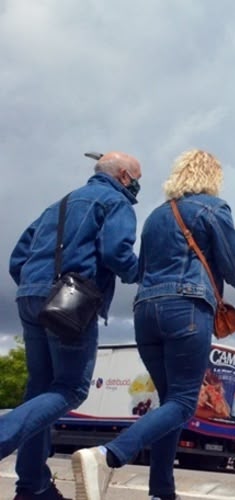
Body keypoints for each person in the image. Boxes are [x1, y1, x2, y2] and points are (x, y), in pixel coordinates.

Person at [71, 149, 235, 500]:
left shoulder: (157, 215)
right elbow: (234, 259)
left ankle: (161, 491)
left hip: (145, 311)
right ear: (212, 178)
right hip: (185, 309)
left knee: (171, 403)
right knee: (185, 402)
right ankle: (106, 456)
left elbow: (141, 265)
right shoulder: (212, 208)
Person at [3, 152, 142, 500]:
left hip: (30, 296)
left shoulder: (57, 205)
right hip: (71, 300)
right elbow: (116, 253)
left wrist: (38, 287)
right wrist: (142, 274)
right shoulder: (116, 201)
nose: (138, 185)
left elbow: (18, 257)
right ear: (124, 176)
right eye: (137, 177)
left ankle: (32, 486)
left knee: (40, 392)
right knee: (71, 388)